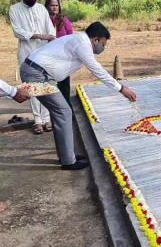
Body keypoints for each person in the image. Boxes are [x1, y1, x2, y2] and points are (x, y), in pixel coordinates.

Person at [20, 21, 137, 170]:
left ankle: (67, 155)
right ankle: (68, 161)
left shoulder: (79, 40)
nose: (103, 47)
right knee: (63, 111)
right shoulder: (82, 43)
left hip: (41, 75)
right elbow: (97, 70)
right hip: (35, 75)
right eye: (102, 43)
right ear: (95, 39)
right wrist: (121, 88)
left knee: (60, 112)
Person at [9, 0, 56, 135]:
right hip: (26, 53)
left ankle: (47, 118)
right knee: (31, 88)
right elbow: (18, 32)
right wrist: (39, 35)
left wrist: (48, 37)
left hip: (43, 54)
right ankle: (38, 121)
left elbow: (51, 31)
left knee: (45, 86)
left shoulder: (42, 9)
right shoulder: (14, 9)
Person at [45, 0, 73, 107]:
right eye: (52, 5)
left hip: (63, 56)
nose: (55, 8)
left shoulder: (63, 19)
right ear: (47, 6)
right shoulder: (44, 20)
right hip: (49, 56)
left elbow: (71, 36)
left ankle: (67, 106)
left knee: (64, 84)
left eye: (56, 5)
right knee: (51, 84)